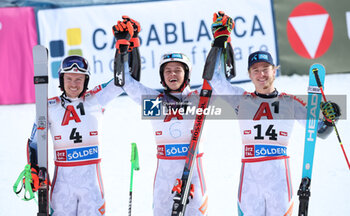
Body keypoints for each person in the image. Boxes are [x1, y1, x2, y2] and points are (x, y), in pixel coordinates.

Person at [207, 12, 341, 216]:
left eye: (266, 69)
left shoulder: (290, 103)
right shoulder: (241, 100)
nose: (261, 74)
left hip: (279, 178)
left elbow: (319, 132)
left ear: (274, 71)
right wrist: (220, 40)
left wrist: (332, 118)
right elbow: (215, 80)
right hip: (249, 180)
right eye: (256, 70)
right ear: (250, 75)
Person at [112, 16, 208, 216]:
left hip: (194, 177)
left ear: (187, 75)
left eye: (178, 70)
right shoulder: (155, 103)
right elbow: (125, 82)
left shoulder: (199, 99)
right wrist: (126, 46)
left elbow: (221, 79)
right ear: (162, 76)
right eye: (168, 71)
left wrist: (222, 42)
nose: (172, 74)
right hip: (164, 180)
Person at [25, 55, 124, 215]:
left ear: (86, 80)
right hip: (62, 187)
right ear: (61, 79)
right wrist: (34, 169)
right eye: (69, 78)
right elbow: (34, 143)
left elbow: (122, 81)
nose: (73, 84)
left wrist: (125, 48)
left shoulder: (96, 99)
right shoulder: (48, 106)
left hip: (92, 187)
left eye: (79, 79)